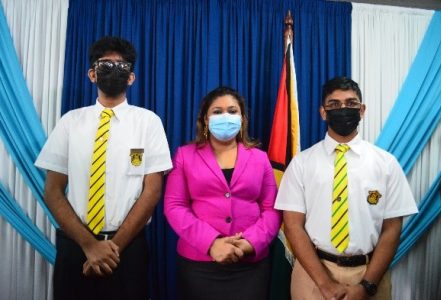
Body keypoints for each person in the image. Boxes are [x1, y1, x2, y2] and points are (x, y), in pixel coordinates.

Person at [35, 36, 172, 300]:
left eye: (121, 66)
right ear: (92, 74)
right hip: (75, 245)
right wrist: (89, 245)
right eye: (105, 64)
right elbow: (52, 190)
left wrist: (111, 248)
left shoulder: (148, 122)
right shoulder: (69, 122)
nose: (113, 70)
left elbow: (152, 191)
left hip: (127, 248)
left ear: (131, 77)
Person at [274, 77, 418, 300]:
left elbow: (392, 229)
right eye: (334, 104)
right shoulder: (302, 164)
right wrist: (325, 284)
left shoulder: (386, 164)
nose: (343, 109)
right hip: (312, 273)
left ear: (362, 110)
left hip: (370, 274)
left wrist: (366, 286)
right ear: (323, 112)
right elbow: (293, 226)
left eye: (351, 104)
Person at [164, 86, 281, 300]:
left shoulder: (260, 158)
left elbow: (271, 209)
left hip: (250, 265)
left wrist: (250, 243)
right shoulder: (184, 155)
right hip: (199, 263)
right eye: (217, 112)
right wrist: (211, 243)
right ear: (205, 120)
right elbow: (174, 207)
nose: (225, 116)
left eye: (232, 111)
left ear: (242, 118)